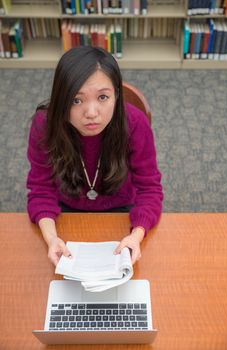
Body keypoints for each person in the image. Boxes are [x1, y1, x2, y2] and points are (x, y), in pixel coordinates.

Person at [26, 46, 163, 266]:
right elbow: (41, 189)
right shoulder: (45, 125)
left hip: (122, 209)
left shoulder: (135, 123)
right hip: (64, 211)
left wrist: (136, 236)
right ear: (62, 98)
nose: (91, 113)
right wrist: (52, 239)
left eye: (102, 97)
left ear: (116, 95)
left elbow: (150, 189)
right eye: (76, 100)